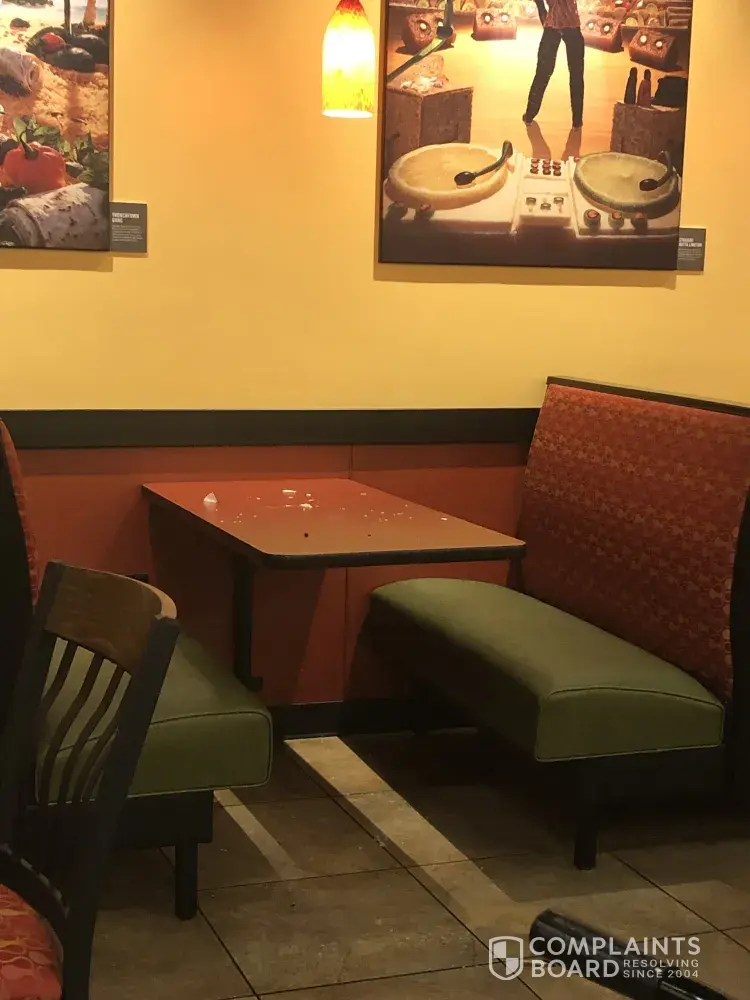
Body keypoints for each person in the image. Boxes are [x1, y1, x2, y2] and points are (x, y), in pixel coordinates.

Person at [523, 0, 585, 129]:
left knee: (543, 72)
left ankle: (530, 114)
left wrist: (543, 14)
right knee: (576, 74)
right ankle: (577, 120)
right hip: (571, 24)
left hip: (553, 25)